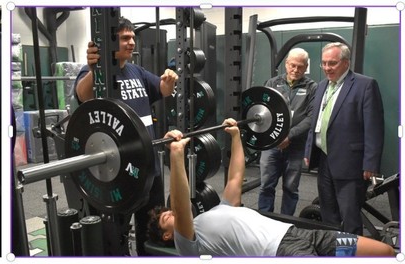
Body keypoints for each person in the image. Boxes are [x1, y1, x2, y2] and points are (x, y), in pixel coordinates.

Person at [146, 119, 394, 256]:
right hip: (283, 252)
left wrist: (235, 137)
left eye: (168, 211)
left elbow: (235, 177)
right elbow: (181, 203)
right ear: (168, 235)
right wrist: (177, 156)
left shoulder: (219, 210)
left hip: (304, 235)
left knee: (382, 251)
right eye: (165, 217)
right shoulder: (188, 244)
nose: (171, 212)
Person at [72, 16, 177, 255]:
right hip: (118, 172)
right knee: (115, 234)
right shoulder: (93, 74)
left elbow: (162, 89)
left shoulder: (136, 71)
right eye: (125, 38)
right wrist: (94, 69)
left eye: (132, 37)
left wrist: (170, 80)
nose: (131, 42)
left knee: (150, 224)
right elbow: (82, 95)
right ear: (110, 42)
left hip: (149, 165)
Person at [304, 42, 384, 235]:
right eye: (323, 63)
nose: (326, 68)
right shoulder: (322, 86)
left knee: (349, 217)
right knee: (328, 213)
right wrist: (309, 150)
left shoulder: (365, 85)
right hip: (324, 160)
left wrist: (370, 163)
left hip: (351, 163)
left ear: (346, 63)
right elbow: (316, 121)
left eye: (332, 63)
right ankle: (334, 251)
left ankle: (349, 255)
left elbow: (374, 127)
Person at [257, 48, 317, 216]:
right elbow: (263, 110)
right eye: (292, 65)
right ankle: (264, 219)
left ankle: (286, 222)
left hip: (296, 146)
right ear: (286, 64)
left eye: (300, 66)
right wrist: (275, 137)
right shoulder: (272, 83)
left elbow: (311, 117)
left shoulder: (312, 87)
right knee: (266, 185)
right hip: (271, 145)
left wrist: (290, 135)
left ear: (306, 67)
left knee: (291, 188)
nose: (296, 70)